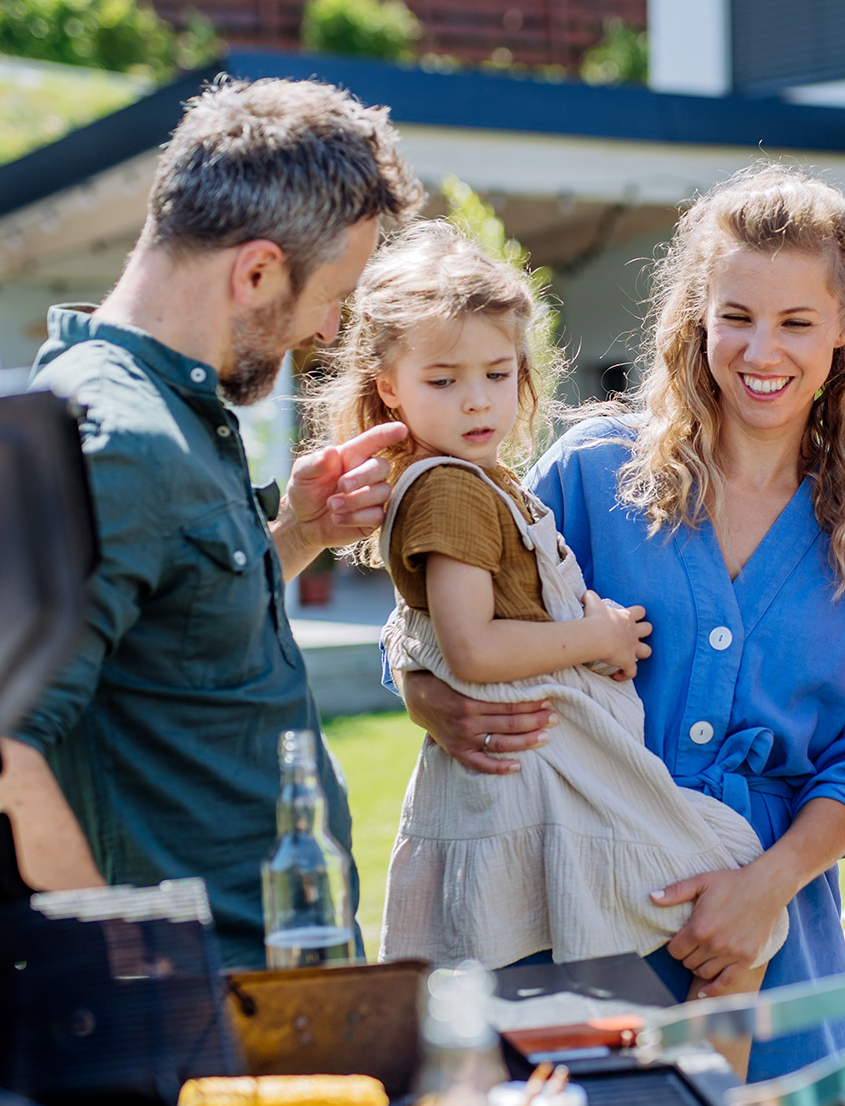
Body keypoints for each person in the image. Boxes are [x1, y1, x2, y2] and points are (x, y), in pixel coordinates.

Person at [396, 166, 845, 1093]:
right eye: (737, 315)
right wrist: (428, 696)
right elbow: (448, 618)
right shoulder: (590, 474)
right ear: (696, 311)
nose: (762, 350)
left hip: (765, 933)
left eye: (797, 322)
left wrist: (763, 888)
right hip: (568, 894)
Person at [0, 77, 423, 968]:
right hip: (201, 1008)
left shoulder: (172, 413)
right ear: (256, 272)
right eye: (334, 293)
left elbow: (171, 641)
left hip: (270, 986)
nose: (329, 329)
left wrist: (295, 533)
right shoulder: (120, 440)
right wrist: (143, 988)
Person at [314, 220, 784, 987]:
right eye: (444, 380)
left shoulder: (484, 480)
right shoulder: (449, 489)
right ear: (387, 384)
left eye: (498, 374)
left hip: (552, 777)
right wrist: (593, 635)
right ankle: (713, 1095)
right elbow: (471, 646)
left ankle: (701, 1089)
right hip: (541, 781)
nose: (478, 401)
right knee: (729, 901)